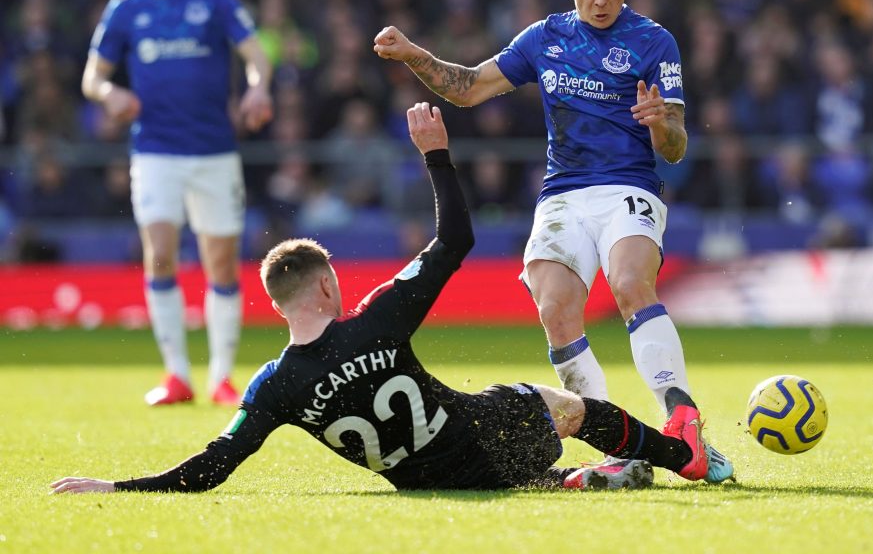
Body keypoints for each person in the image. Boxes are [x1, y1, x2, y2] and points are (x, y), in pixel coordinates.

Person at [50, 104, 722, 494]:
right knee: (567, 408)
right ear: (322, 286)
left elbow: (213, 465)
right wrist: (436, 156)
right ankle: (676, 456)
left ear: (278, 304)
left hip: (426, 486)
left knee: (482, 452)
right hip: (486, 443)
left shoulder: (272, 386)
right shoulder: (377, 317)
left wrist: (116, 488)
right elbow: (456, 238)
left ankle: (568, 485)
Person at [374, 0, 732, 482]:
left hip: (627, 189)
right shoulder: (545, 38)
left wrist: (663, 123)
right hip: (563, 193)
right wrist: (412, 54)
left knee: (630, 281)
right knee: (555, 309)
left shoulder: (655, 41)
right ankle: (620, 445)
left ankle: (681, 418)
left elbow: (676, 149)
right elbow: (468, 88)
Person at [81, 0, 273, 406]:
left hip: (214, 152)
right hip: (155, 152)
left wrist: (257, 90)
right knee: (160, 254)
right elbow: (92, 76)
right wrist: (110, 94)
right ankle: (176, 375)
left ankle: (222, 378)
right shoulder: (126, 9)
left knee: (222, 265)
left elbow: (256, 55)